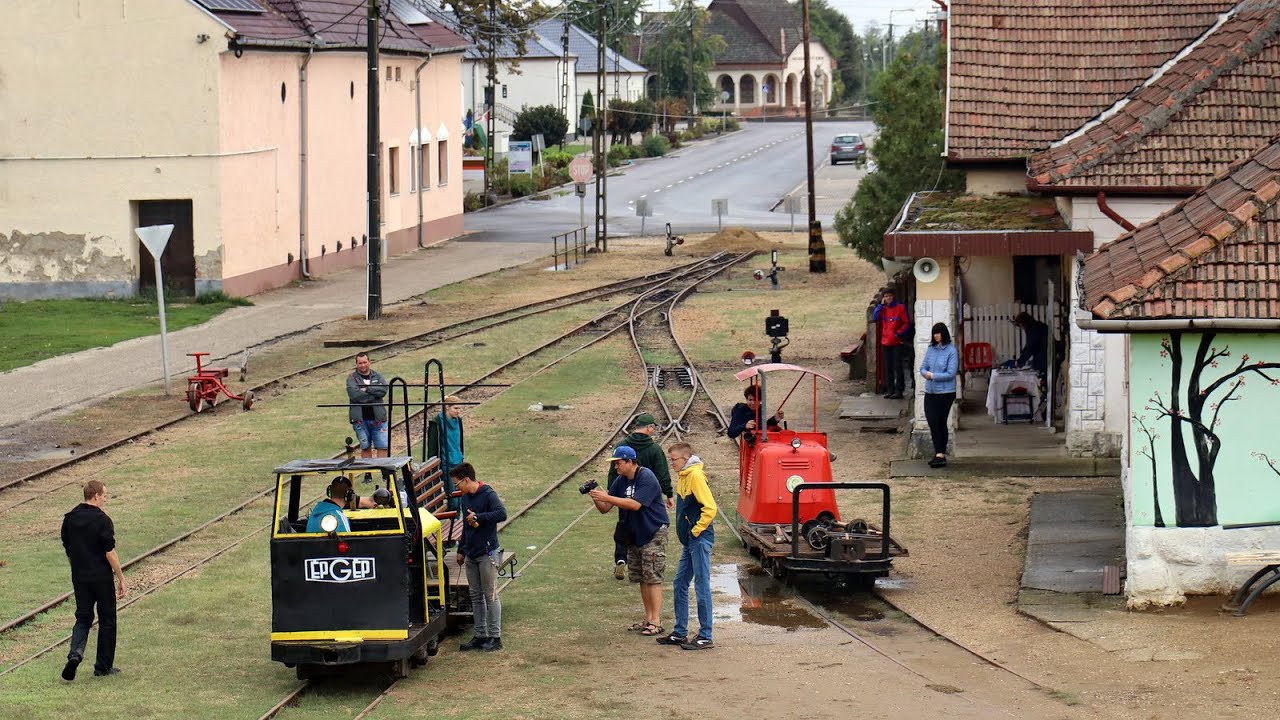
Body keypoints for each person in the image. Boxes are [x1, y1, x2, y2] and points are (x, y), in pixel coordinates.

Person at [590, 445, 669, 637]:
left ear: (629, 461)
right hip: (635, 535)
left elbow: (634, 504)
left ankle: (656, 621)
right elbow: (605, 508)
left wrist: (608, 496)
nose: (615, 467)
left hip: (653, 531)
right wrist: (594, 495)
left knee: (653, 577)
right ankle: (648, 618)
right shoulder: (621, 481)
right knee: (642, 577)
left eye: (618, 463)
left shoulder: (646, 477)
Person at [61, 480, 126, 681]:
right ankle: (102, 667)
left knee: (83, 617)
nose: (105, 499)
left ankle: (75, 653)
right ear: (96, 495)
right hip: (101, 578)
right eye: (104, 495)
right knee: (107, 619)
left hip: (80, 577)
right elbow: (110, 553)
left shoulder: (70, 519)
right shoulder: (102, 520)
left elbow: (68, 549)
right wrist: (121, 578)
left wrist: (77, 568)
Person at [657, 442, 717, 651]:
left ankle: (705, 635)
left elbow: (710, 508)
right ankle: (680, 631)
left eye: (673, 459)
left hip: (699, 540)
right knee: (679, 583)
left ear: (685, 458)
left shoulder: (695, 476)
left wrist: (696, 530)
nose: (671, 463)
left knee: (701, 585)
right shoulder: (684, 477)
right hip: (690, 541)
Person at [605, 414, 673, 580]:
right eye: (654, 428)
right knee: (638, 528)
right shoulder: (655, 448)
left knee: (624, 526)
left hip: (625, 495)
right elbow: (662, 472)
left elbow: (612, 474)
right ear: (649, 427)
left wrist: (610, 494)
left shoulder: (622, 444)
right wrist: (668, 493)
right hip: (648, 497)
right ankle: (642, 564)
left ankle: (621, 558)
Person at [452, 463, 508, 652]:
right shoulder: (465, 498)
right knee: (475, 596)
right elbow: (465, 527)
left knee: (490, 595)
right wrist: (461, 549)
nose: (456, 488)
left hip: (487, 553)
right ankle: (480, 634)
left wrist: (479, 517)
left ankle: (495, 636)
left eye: (457, 484)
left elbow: (502, 514)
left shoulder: (488, 494)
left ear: (466, 479)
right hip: (471, 554)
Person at [919, 323, 960, 468]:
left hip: (945, 392)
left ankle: (940, 454)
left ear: (944, 334)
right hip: (930, 391)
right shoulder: (931, 349)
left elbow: (951, 373)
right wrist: (926, 374)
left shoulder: (951, 351)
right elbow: (923, 367)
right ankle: (938, 451)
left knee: (940, 421)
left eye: (938, 333)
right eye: (934, 333)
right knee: (932, 420)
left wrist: (933, 375)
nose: (936, 336)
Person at [346, 352, 388, 459]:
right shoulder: (351, 378)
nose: (363, 365)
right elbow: (355, 395)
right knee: (365, 447)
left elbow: (383, 390)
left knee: (383, 446)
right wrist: (373, 394)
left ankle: (384, 473)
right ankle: (368, 474)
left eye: (365, 362)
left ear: (369, 362)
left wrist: (367, 389)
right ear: (356, 364)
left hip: (378, 418)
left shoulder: (378, 376)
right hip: (360, 419)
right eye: (360, 363)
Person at [428, 395, 466, 509]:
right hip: (446, 464)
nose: (458, 411)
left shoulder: (458, 421)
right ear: (447, 408)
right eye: (455, 408)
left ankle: (458, 519)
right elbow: (432, 447)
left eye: (460, 408)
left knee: (461, 496)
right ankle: (453, 522)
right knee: (453, 498)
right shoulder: (437, 423)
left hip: (458, 462)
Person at [872, 289, 911, 399]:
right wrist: (880, 305)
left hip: (897, 342)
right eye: (886, 296)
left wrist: (898, 334)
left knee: (897, 366)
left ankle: (899, 390)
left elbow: (906, 323)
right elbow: (875, 317)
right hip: (886, 341)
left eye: (890, 296)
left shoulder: (900, 308)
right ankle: (890, 390)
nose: (888, 298)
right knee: (888, 367)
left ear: (893, 296)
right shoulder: (883, 309)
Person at [1013, 312, 1050, 376]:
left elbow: (1030, 347)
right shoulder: (1039, 326)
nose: (1022, 328)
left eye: (1021, 325)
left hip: (1043, 359)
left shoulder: (1033, 329)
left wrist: (1020, 361)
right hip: (1047, 356)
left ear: (1024, 323)